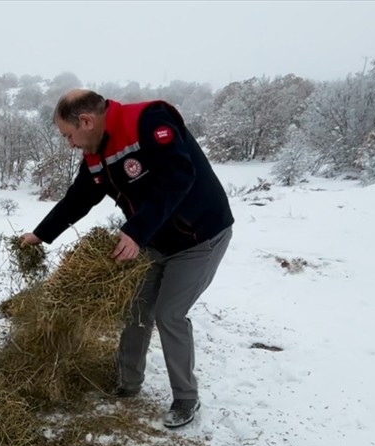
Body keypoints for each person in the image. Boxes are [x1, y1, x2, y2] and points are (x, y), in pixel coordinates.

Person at [20, 89, 234, 428]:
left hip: (200, 236)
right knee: (137, 309)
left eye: (68, 135)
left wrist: (135, 231)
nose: (70, 143)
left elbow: (178, 177)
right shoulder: (96, 153)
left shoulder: (148, 122)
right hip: (154, 240)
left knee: (169, 314)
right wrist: (40, 235)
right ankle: (127, 382)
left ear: (86, 121)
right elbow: (78, 199)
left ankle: (185, 399)